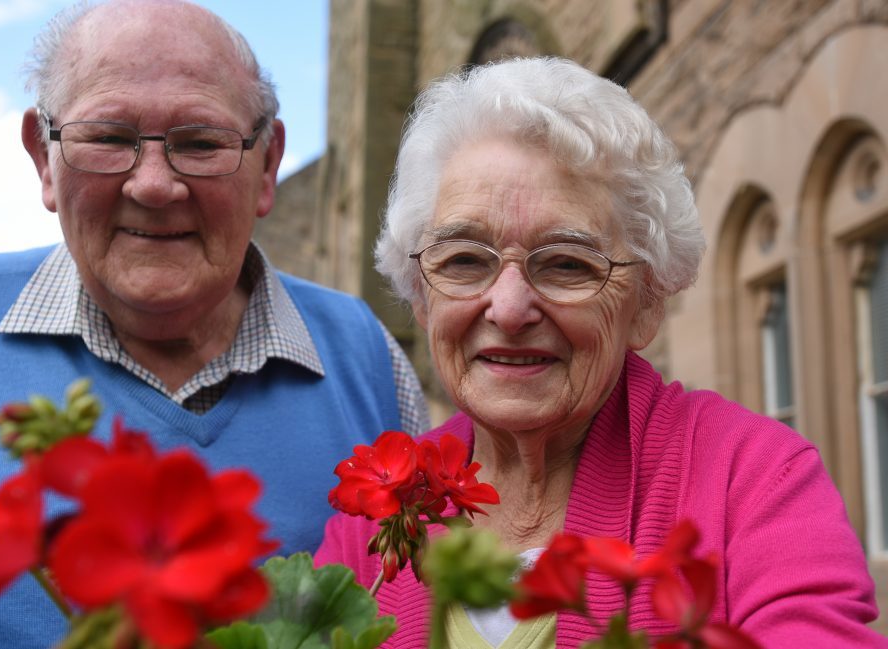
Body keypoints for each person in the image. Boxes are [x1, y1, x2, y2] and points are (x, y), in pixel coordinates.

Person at [0, 0, 429, 646]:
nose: (154, 184)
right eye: (107, 138)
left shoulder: (368, 358)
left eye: (200, 143)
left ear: (268, 164)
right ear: (44, 159)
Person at [315, 56, 886, 648]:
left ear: (646, 302)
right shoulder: (379, 511)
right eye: (464, 261)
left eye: (567, 264)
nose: (508, 309)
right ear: (422, 298)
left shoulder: (753, 479)